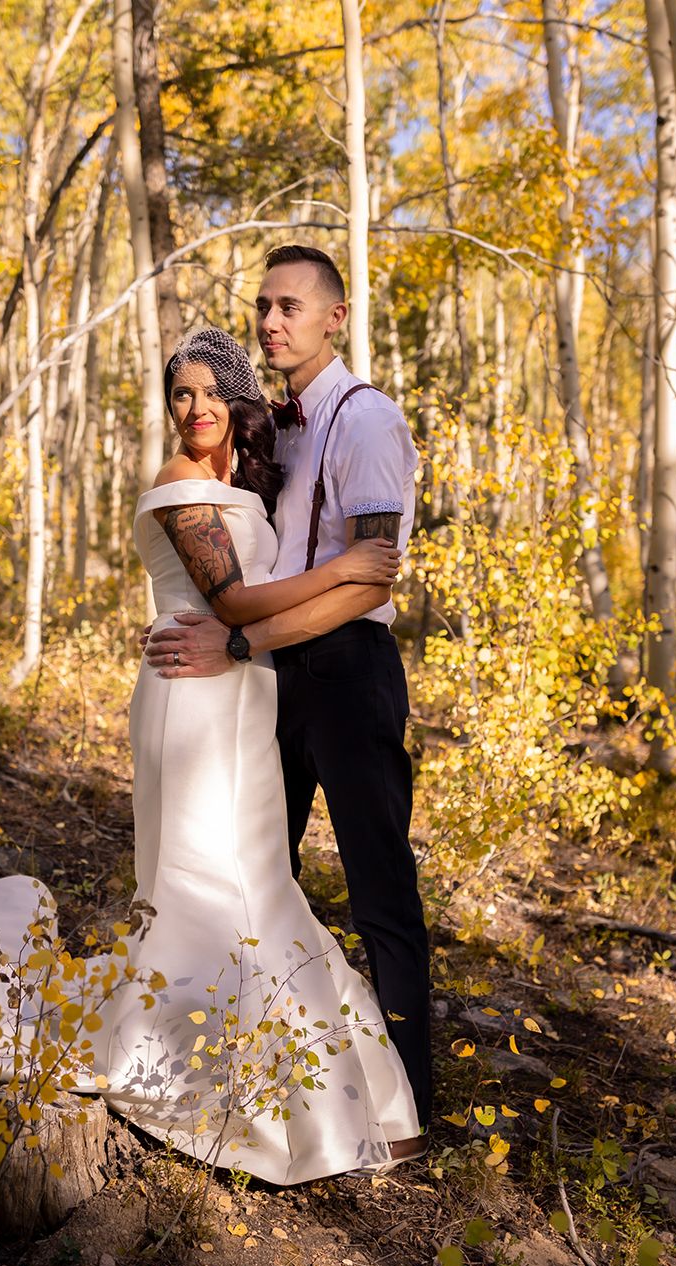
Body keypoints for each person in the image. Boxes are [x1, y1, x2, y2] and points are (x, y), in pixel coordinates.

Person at [0, 323, 422, 1184]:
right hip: (191, 698)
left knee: (257, 878)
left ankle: (315, 1088)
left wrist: (334, 579)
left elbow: (231, 602)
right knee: (212, 880)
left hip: (242, 696)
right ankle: (221, 1082)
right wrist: (348, 568)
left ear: (237, 400)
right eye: (179, 393)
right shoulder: (177, 482)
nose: (193, 408)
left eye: (207, 391)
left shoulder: (233, 481)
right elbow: (231, 601)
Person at [142, 246, 431, 1162]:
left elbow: (372, 579)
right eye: (264, 306)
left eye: (292, 307)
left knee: (380, 886)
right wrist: (238, 642)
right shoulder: (276, 432)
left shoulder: (367, 418)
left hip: (345, 675)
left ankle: (410, 1105)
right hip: (270, 686)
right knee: (256, 875)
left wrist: (237, 640)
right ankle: (270, 1083)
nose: (273, 322)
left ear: (334, 318)